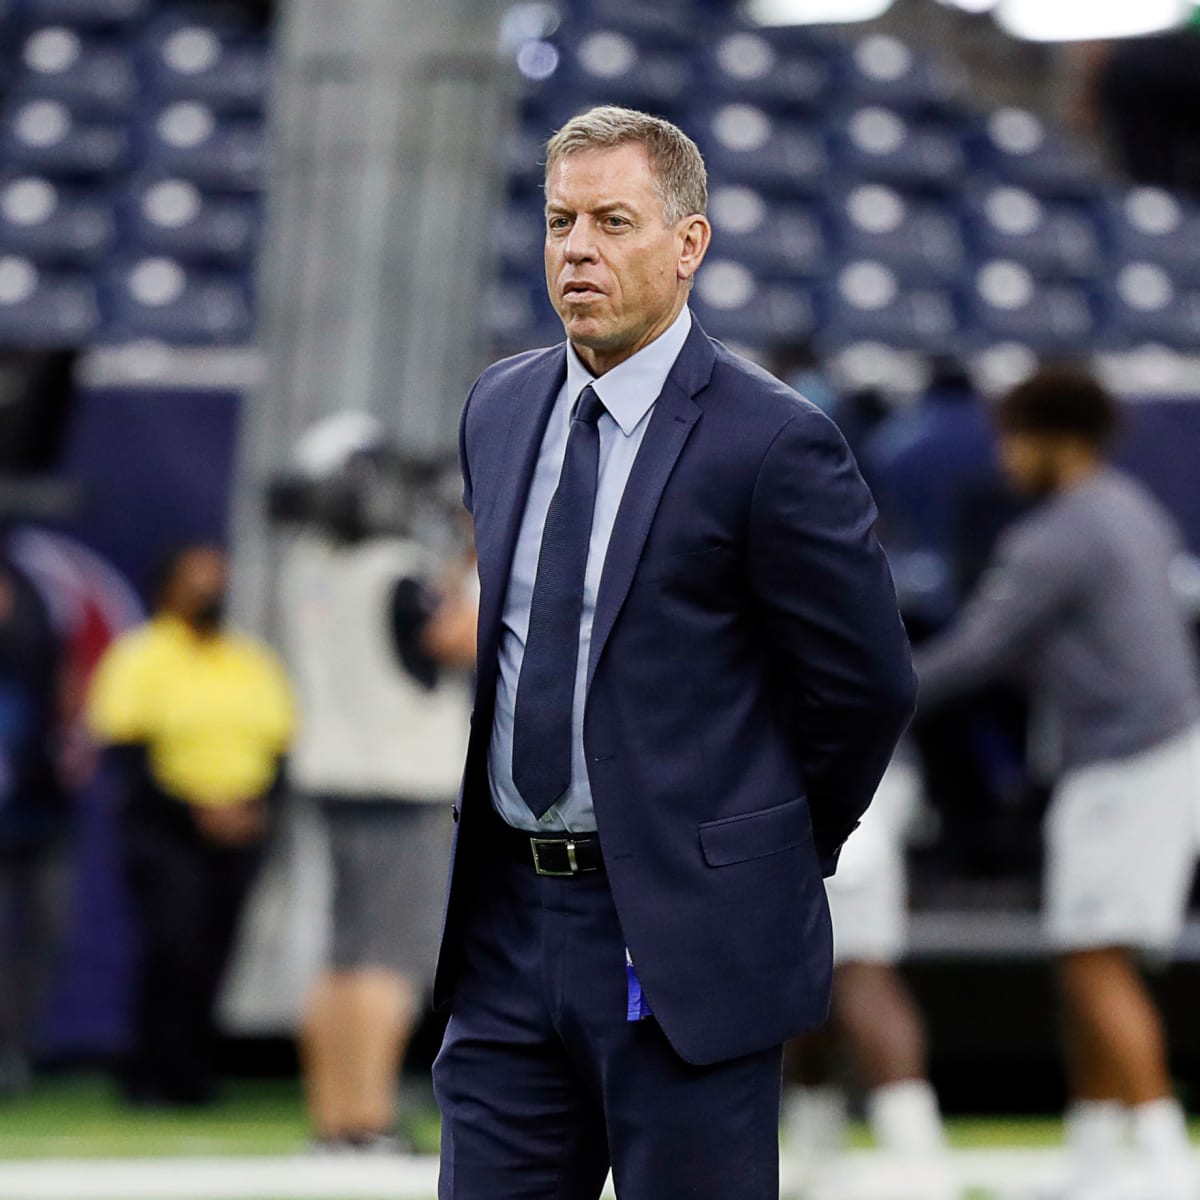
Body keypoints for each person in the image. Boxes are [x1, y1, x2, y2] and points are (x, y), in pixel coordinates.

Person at [432, 105, 916, 1200]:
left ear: (688, 244)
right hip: (508, 926)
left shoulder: (773, 439)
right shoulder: (499, 407)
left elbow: (868, 684)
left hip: (681, 939)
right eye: (560, 222)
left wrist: (766, 846)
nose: (578, 251)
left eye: (612, 221)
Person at [915, 368, 1200, 1200]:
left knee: (1091, 962)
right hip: (1145, 758)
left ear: (1052, 439)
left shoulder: (1058, 536)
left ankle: (1163, 1163)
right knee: (1089, 958)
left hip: (1127, 765)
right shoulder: (1133, 508)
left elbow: (974, 653)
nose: (1005, 457)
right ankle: (1096, 1162)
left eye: (1014, 438)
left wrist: (871, 694)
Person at [271, 413, 476, 1153]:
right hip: (400, 780)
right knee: (388, 957)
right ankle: (370, 1118)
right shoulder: (394, 571)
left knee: (343, 955)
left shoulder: (304, 564)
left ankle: (334, 1118)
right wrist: (479, 562)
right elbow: (459, 639)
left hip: (330, 773)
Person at [88, 544, 294, 1106]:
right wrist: (197, 811)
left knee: (217, 950)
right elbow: (129, 758)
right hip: (165, 831)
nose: (212, 591)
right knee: (172, 946)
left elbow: (279, 750)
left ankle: (193, 1071)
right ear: (168, 587)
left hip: (242, 830)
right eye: (198, 580)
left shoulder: (250, 660)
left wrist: (250, 809)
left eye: (219, 579)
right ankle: (149, 1069)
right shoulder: (140, 657)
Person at [783, 753, 956, 1200]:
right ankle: (819, 1158)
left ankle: (919, 1160)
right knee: (795, 977)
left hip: (840, 777)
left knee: (860, 970)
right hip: (778, 788)